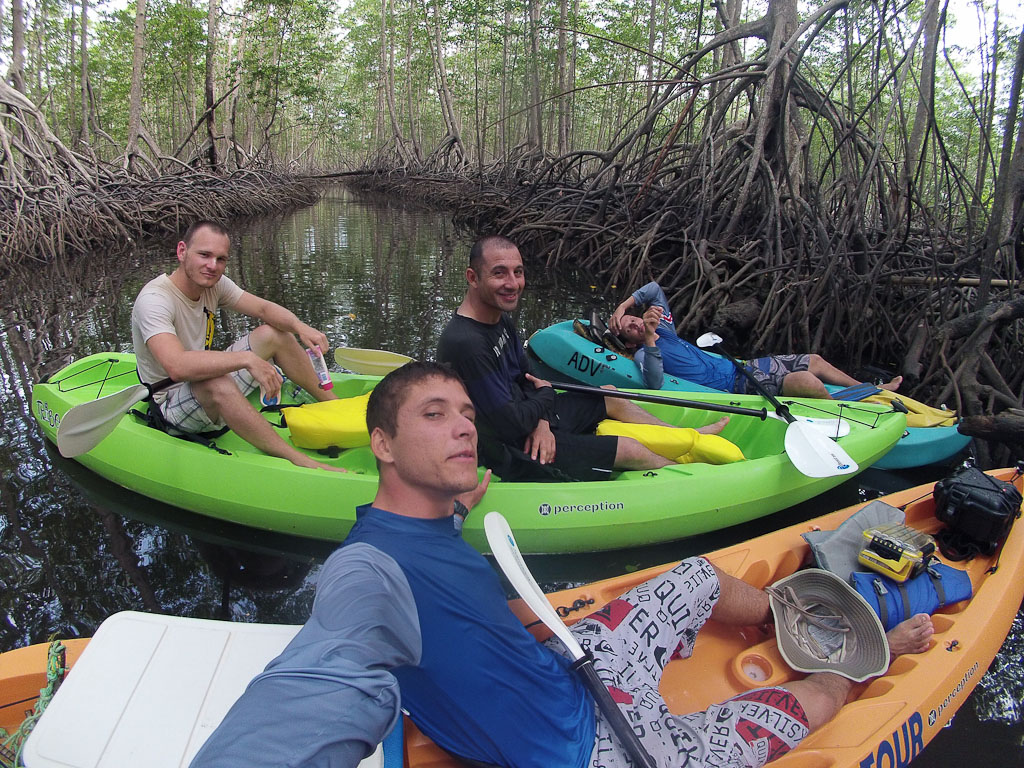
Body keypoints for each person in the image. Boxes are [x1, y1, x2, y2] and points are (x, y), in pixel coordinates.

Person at [189, 361, 935, 768]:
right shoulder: (366, 570)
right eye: (433, 415)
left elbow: (459, 610)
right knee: (788, 710)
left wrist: (453, 514)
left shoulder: (413, 522)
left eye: (466, 415)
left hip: (581, 666)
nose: (462, 429)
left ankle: (789, 618)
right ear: (381, 445)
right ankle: (862, 662)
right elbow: (318, 676)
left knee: (697, 579)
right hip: (598, 751)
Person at [437, 236, 727, 481]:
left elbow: (527, 378)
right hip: (510, 449)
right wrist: (546, 398)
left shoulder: (498, 318)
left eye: (518, 272)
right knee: (629, 449)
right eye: (499, 273)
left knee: (610, 395)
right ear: (472, 277)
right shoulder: (467, 343)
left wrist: (543, 420)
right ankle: (698, 481)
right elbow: (510, 422)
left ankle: (687, 434)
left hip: (530, 422)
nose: (513, 283)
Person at [131, 220, 344, 472]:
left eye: (221, 259)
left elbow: (264, 309)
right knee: (217, 382)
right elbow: (176, 366)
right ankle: (294, 458)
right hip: (169, 402)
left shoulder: (214, 284)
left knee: (274, 334)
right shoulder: (154, 300)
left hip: (199, 383)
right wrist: (248, 360)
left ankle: (336, 407)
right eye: (204, 255)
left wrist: (300, 327)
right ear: (182, 252)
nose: (213, 266)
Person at [608, 281, 903, 397]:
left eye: (634, 318)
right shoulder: (643, 353)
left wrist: (622, 306)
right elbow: (654, 382)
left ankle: (868, 389)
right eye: (630, 328)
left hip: (744, 365)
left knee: (813, 360)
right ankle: (848, 408)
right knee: (804, 380)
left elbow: (656, 288)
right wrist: (648, 339)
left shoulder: (666, 330)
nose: (635, 322)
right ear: (631, 342)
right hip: (738, 385)